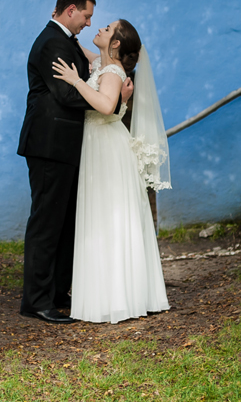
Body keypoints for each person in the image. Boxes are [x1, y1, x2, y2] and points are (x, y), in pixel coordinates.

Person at [16, 0, 132, 323]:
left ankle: (55, 292)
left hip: (66, 145)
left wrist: (113, 89)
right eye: (86, 15)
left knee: (65, 223)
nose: (89, 22)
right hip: (49, 144)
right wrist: (108, 105)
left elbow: (101, 69)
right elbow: (66, 93)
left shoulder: (66, 42)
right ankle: (36, 301)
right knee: (46, 223)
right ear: (70, 10)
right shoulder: (52, 42)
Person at [51, 19, 170, 323]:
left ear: (116, 43)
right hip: (98, 144)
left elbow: (105, 105)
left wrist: (75, 81)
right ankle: (108, 291)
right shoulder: (103, 64)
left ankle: (120, 295)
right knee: (100, 215)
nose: (100, 29)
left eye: (107, 28)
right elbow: (89, 55)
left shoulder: (114, 72)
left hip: (107, 146)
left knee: (110, 215)